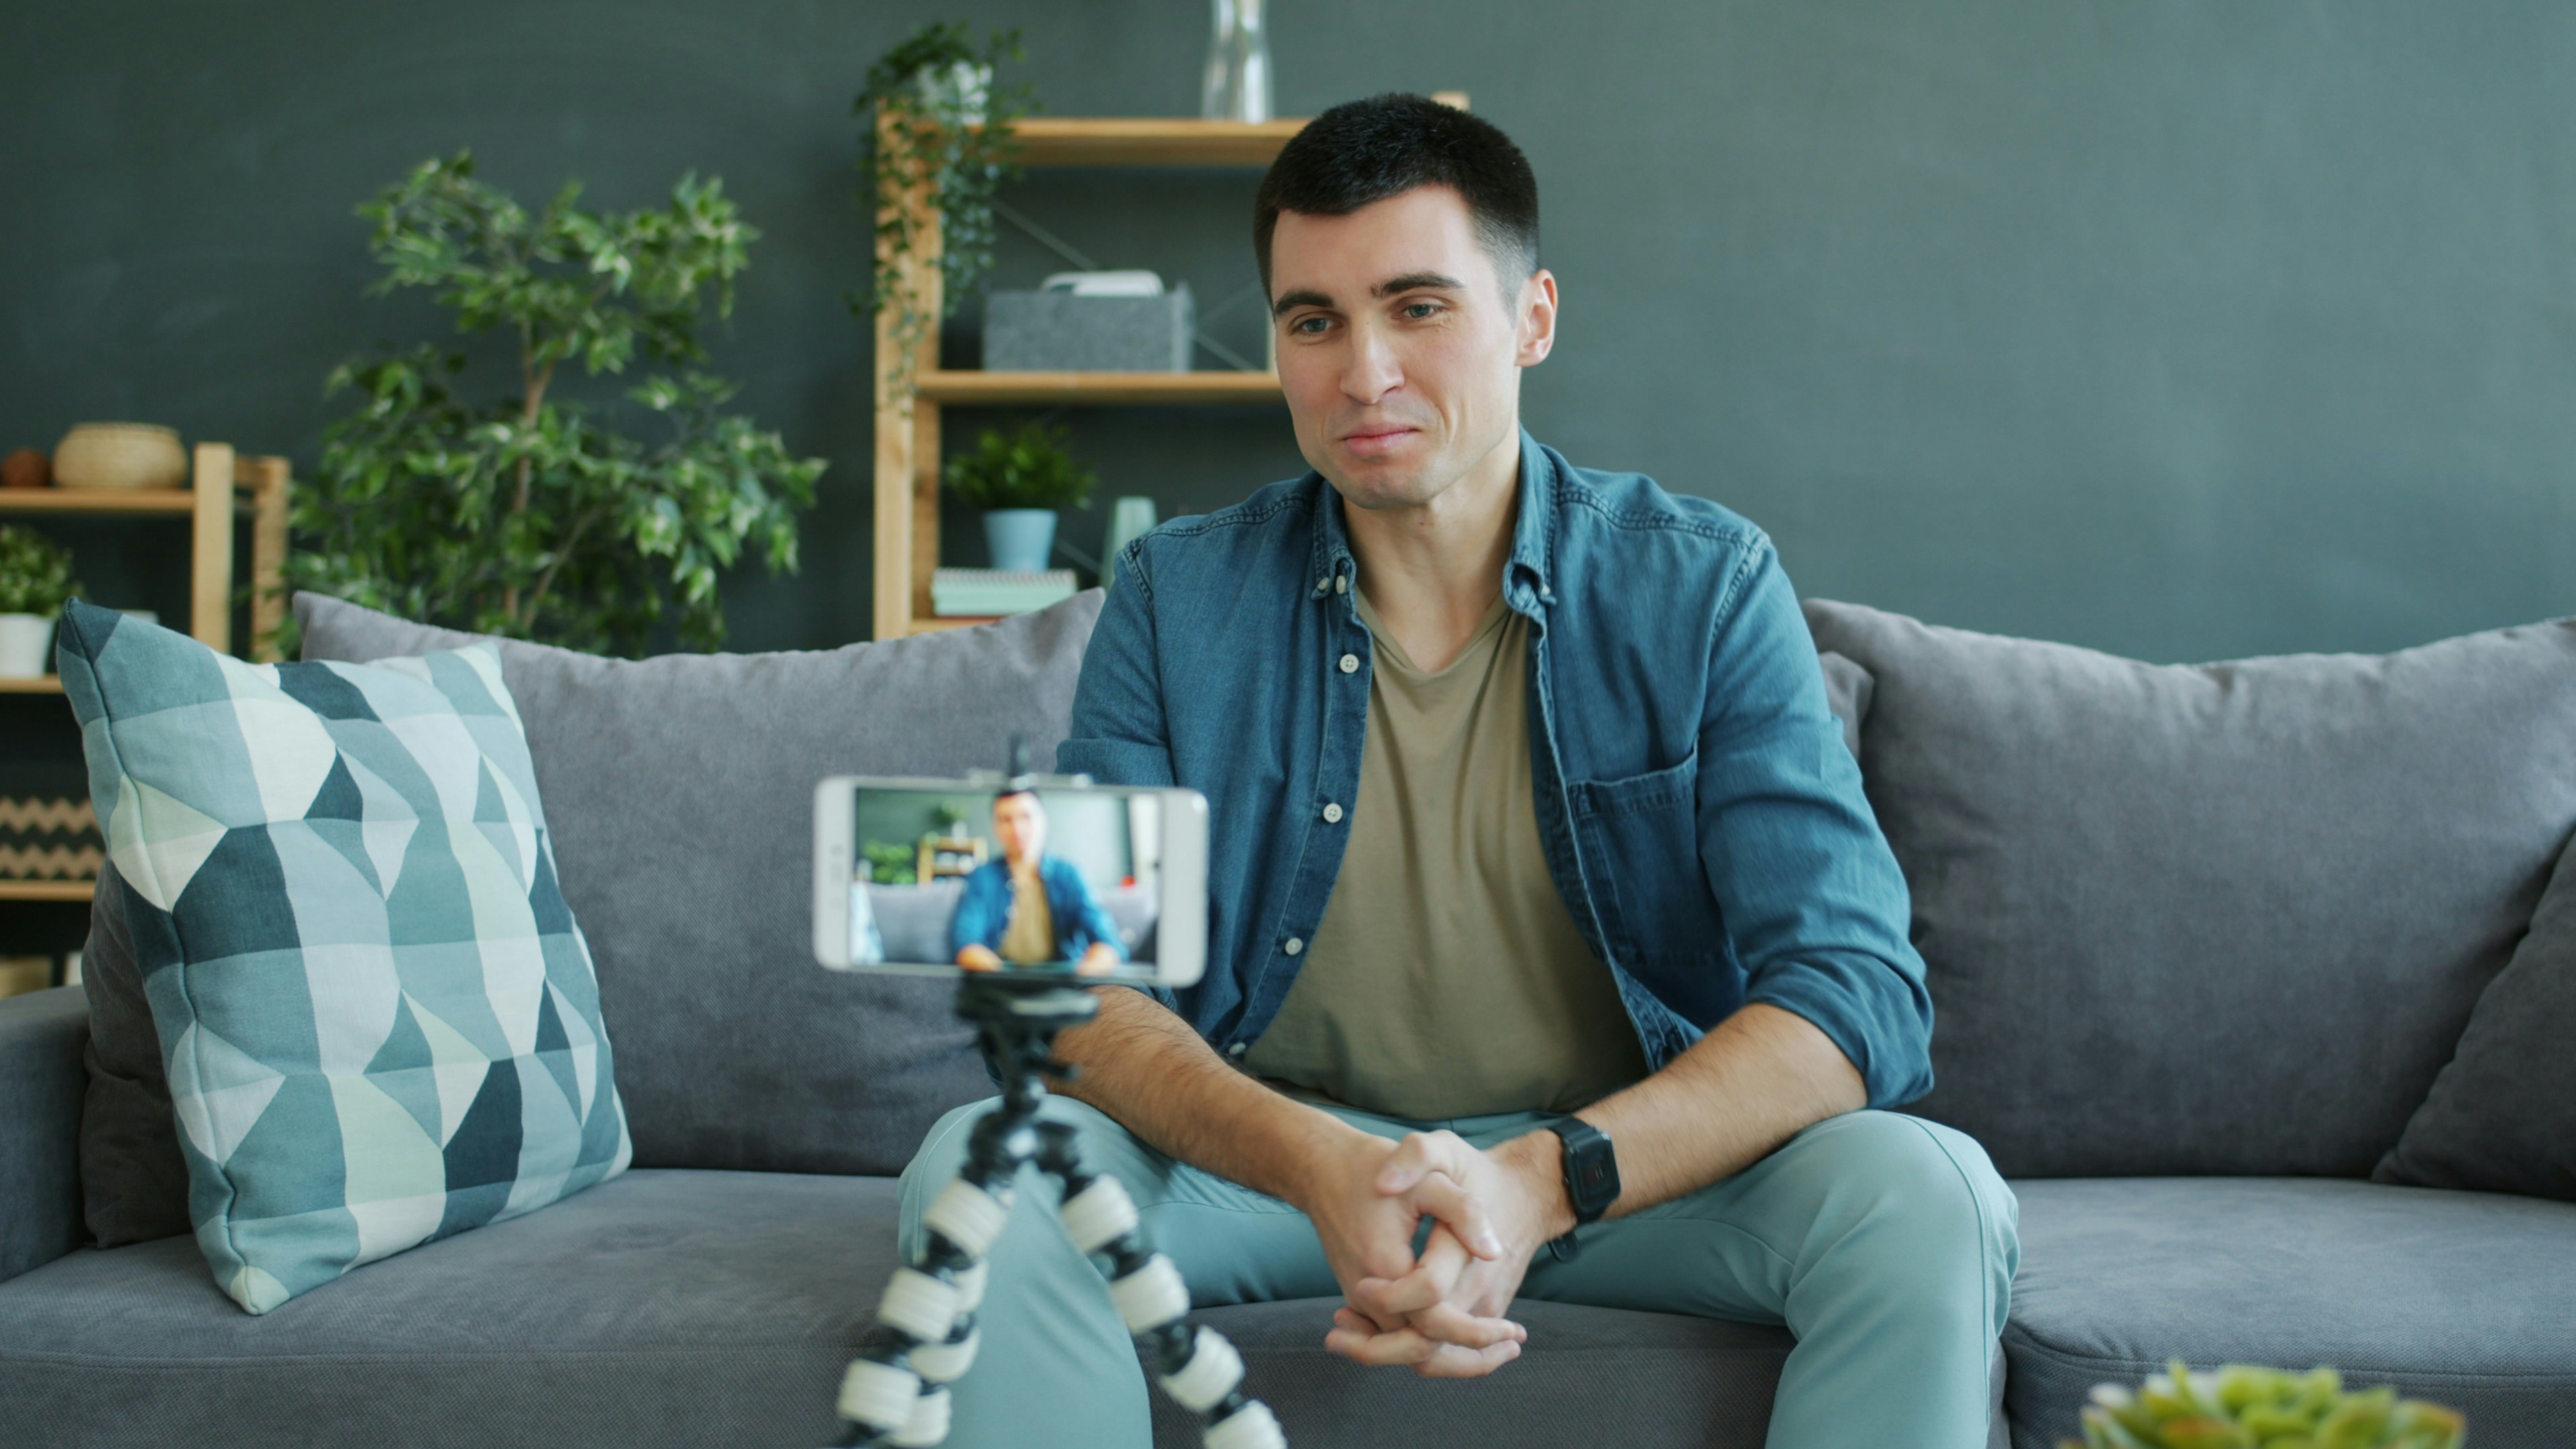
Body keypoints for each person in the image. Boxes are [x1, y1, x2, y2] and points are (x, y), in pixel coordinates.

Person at [900, 93, 2017, 1448]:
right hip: (1281, 1169)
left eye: (1417, 307)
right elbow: (1072, 980)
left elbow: (1856, 996)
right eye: (1313, 320)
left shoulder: (1706, 585)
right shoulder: (1173, 593)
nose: (1362, 370)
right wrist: (1326, 1164)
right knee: (990, 1162)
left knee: (1927, 1195)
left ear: (1533, 317)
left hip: (1615, 1179)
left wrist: (1541, 1180)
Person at [949, 789, 1124, 976]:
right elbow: (966, 943)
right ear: (996, 828)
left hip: (1063, 985)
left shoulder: (1068, 874)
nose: (1017, 828)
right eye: (1006, 820)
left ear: (1043, 821)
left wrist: (1087, 973)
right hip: (999, 984)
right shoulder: (982, 876)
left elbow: (1107, 939)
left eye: (1026, 816)